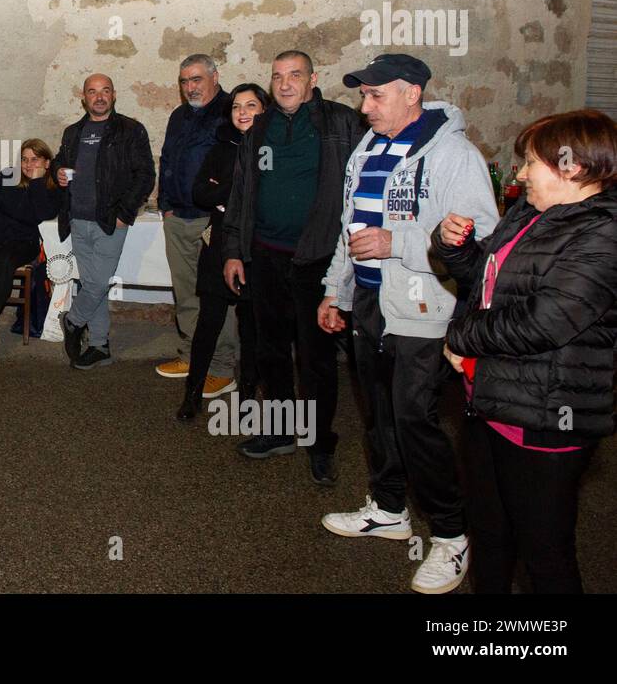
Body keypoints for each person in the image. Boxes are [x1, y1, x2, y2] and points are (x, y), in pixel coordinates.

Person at [316, 55, 498, 594]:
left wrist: (401, 243)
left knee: (415, 419)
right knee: (378, 414)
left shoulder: (453, 155)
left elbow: (481, 242)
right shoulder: (367, 149)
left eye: (375, 96)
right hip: (371, 303)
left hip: (424, 308)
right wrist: (336, 289)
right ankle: (390, 508)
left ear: (412, 93)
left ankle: (451, 534)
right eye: (363, 96)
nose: (365, 106)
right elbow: (351, 231)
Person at [436, 109, 617, 593]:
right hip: (491, 400)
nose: (518, 174)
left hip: (546, 414)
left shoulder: (603, 233)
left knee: (545, 554)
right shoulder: (528, 212)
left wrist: (459, 338)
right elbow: (486, 283)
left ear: (572, 166)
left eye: (530, 163)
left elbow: (546, 321)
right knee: (491, 538)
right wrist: (457, 249)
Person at [222, 50, 364, 482]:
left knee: (315, 356)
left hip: (316, 259)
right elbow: (242, 190)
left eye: (295, 75)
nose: (285, 84)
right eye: (278, 76)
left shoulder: (340, 123)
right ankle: (283, 431)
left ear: (312, 79)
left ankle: (320, 441)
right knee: (270, 349)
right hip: (263, 255)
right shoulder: (258, 128)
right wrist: (233, 248)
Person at [176, 84, 270, 420]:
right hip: (219, 248)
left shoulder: (274, 148)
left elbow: (269, 199)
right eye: (236, 107)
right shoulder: (221, 146)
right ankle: (192, 395)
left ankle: (247, 397)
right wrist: (239, 186)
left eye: (251, 105)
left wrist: (225, 193)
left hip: (257, 249)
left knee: (251, 329)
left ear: (264, 109)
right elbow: (200, 192)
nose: (242, 112)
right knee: (208, 325)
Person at [54, 73, 155, 369]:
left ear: (113, 95)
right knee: (89, 283)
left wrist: (126, 212)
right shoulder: (73, 132)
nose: (99, 97)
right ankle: (100, 345)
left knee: (97, 282)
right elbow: (61, 161)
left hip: (110, 220)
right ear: (83, 97)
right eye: (92, 91)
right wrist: (58, 171)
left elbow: (146, 174)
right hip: (77, 218)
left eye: (105, 91)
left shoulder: (131, 130)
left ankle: (72, 321)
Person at [156, 55, 237, 393]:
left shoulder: (231, 111)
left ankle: (221, 366)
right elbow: (167, 160)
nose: (190, 87)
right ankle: (192, 354)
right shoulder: (179, 116)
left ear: (214, 77)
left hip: (210, 220)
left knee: (217, 297)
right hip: (178, 218)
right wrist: (166, 207)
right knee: (186, 293)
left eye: (196, 79)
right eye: (184, 81)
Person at [0, 139, 60, 352]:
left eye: (35, 160)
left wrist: (37, 183)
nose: (28, 165)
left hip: (23, 243)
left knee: (5, 260)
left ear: (47, 163)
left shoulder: (51, 187)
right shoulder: (9, 176)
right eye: (24, 159)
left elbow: (44, 214)